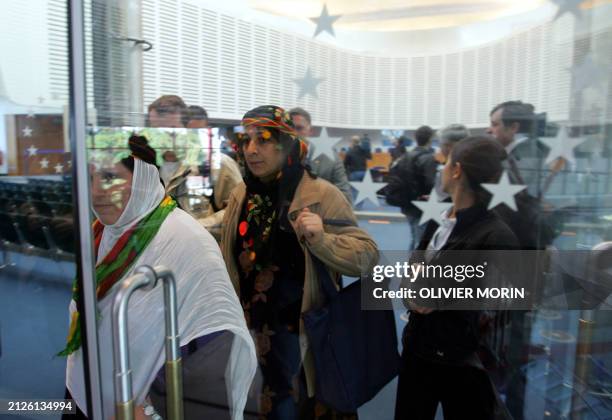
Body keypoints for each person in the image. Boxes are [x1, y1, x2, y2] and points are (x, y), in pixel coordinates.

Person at [62, 137, 256, 419]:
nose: (96, 192)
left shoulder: (186, 240)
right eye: (90, 177)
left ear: (142, 178)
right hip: (91, 387)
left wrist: (155, 409)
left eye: (109, 177)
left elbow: (215, 342)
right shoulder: (101, 231)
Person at [220, 105, 378, 419]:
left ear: (287, 144)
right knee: (267, 400)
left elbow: (366, 256)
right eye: (246, 140)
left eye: (263, 140)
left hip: (303, 330)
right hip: (255, 328)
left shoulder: (321, 193)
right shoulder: (242, 193)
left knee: (300, 403)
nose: (251, 150)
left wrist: (323, 240)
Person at [395, 136, 519, 420]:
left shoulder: (496, 236)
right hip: (418, 349)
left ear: (457, 170)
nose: (441, 168)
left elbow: (500, 307)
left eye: (445, 161)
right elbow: (411, 280)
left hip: (462, 364)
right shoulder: (442, 219)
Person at [289, 107, 352, 203]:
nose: (294, 133)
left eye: (299, 128)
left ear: (310, 131)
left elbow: (345, 200)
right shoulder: (274, 158)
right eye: (289, 129)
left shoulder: (332, 160)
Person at [432, 124, 470, 201]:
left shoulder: (453, 168)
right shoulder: (472, 164)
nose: (440, 149)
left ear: (450, 146)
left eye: (442, 145)